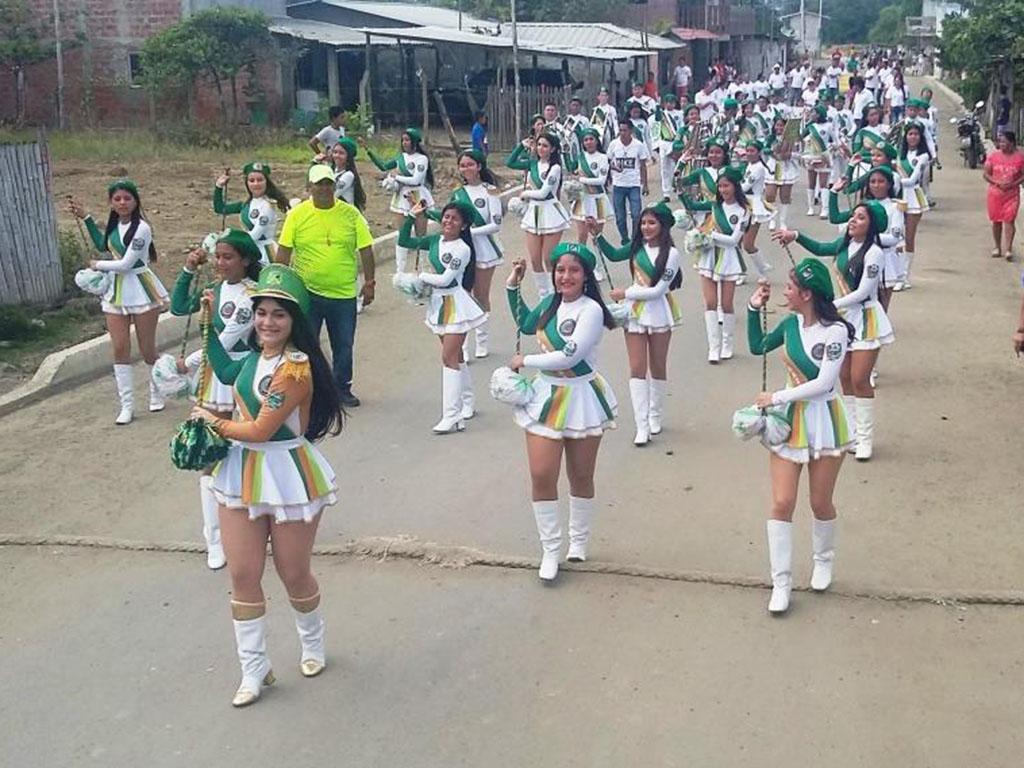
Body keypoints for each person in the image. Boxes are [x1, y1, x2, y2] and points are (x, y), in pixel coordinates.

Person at [190, 264, 343, 707]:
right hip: (241, 472)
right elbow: (223, 367)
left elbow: (259, 429)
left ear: (295, 322)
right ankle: (254, 668)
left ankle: (311, 641)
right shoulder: (252, 360)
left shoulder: (296, 370)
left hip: (288, 472)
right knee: (242, 572)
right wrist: (206, 322)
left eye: (279, 314)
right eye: (262, 313)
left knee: (293, 572)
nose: (267, 322)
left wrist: (212, 421)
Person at [746, 259, 855, 614]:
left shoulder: (835, 332)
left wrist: (774, 397)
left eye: (791, 287)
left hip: (824, 419)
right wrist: (752, 309)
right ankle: (782, 582)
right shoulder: (790, 324)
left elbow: (824, 383)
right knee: (781, 502)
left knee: (820, 502)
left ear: (807, 294)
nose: (785, 291)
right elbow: (758, 345)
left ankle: (823, 560)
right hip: (790, 421)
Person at [504, 242, 618, 580]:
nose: (565, 276)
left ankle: (578, 542)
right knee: (541, 474)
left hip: (580, 394)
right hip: (545, 396)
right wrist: (513, 283)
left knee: (580, 475)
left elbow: (570, 355)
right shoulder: (550, 304)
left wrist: (526, 360)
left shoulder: (591, 311)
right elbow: (525, 322)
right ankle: (550, 550)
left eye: (573, 270)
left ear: (585, 276)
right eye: (560, 270)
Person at [773, 200, 894, 461]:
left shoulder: (874, 253)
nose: (853, 221)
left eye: (861, 218)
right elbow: (820, 247)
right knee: (845, 378)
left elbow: (863, 293)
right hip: (841, 317)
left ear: (871, 224)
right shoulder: (844, 243)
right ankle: (850, 432)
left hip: (865, 318)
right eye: (853, 216)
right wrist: (795, 236)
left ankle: (865, 438)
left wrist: (827, 305)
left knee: (860, 378)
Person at [170, 229, 262, 570]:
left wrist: (186, 364)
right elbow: (178, 306)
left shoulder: (253, 294)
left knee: (248, 448)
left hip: (242, 374)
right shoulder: (216, 289)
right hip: (213, 382)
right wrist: (189, 269)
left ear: (246, 259)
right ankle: (214, 539)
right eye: (218, 257)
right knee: (210, 454)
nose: (221, 263)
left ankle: (250, 520)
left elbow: (225, 338)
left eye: (228, 257)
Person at [275, 165, 375, 408]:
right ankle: (307, 389)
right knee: (305, 343)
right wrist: (280, 288)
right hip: (307, 292)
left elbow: (365, 249)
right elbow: (284, 251)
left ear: (334, 185)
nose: (324, 188)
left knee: (343, 344)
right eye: (318, 184)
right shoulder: (297, 215)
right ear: (309, 187)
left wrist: (370, 283)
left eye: (328, 183)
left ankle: (342, 388)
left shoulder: (350, 215)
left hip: (343, 293)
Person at [69, 180, 169, 424]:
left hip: (140, 288)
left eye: (127, 198)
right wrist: (87, 218)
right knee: (119, 348)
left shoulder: (142, 228)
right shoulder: (115, 226)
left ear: (136, 201)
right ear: (111, 203)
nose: (123, 203)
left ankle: (157, 392)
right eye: (117, 199)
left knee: (147, 350)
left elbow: (126, 263)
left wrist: (97, 265)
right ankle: (127, 406)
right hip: (116, 292)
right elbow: (103, 244)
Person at [592, 203, 681, 445]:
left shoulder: (671, 254)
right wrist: (596, 234)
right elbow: (612, 254)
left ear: (662, 226)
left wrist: (626, 292)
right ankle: (641, 425)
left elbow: (658, 290)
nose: (646, 227)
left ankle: (655, 415)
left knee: (658, 365)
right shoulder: (636, 248)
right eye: (643, 223)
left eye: (652, 223)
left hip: (659, 311)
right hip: (635, 314)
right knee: (637, 368)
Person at [400, 201, 486, 433]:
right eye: (446, 217)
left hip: (456, 305)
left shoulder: (463, 249)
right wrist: (410, 217)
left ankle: (451, 415)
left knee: (447, 357)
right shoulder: (434, 240)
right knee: (455, 356)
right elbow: (405, 242)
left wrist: (420, 277)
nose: (448, 222)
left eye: (454, 219)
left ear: (464, 225)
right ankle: (466, 403)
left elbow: (446, 279)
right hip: (438, 304)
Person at [429, 149, 504, 359]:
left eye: (470, 164)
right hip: (461, 250)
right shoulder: (458, 192)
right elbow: (450, 216)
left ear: (479, 166)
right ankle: (462, 345)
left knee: (480, 295)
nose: (466, 168)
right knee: (460, 294)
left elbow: (495, 224)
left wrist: (470, 230)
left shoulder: (491, 191)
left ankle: (482, 339)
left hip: (485, 249)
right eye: (462, 165)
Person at [680, 165, 751, 363]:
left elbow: (734, 240)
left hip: (728, 259)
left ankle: (727, 344)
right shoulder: (714, 206)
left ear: (735, 187)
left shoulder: (744, 211)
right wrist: (680, 189)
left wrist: (710, 235)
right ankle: (714, 347)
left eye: (726, 186)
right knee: (710, 304)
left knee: (726, 304)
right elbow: (691, 206)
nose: (722, 190)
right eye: (720, 186)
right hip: (709, 257)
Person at [506, 132, 570, 297]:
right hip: (533, 213)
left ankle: (554, 293)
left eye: (545, 146)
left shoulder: (555, 168)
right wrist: (522, 145)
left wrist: (525, 194)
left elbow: (543, 193)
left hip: (550, 212)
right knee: (535, 259)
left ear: (553, 149)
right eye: (539, 145)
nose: (541, 148)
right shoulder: (532, 163)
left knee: (548, 259)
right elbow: (510, 162)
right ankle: (543, 295)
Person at [365, 128, 434, 273]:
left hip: (418, 195)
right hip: (402, 197)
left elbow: (416, 179)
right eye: (403, 140)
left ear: (414, 141)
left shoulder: (422, 159)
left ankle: (422, 268)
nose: (404, 143)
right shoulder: (399, 158)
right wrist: (369, 151)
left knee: (421, 234)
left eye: (407, 140)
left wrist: (395, 176)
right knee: (402, 234)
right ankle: (400, 270)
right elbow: (383, 166)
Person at [213, 162, 291, 265]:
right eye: (251, 180)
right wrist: (219, 187)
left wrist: (229, 239)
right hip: (250, 248)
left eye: (260, 180)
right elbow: (220, 208)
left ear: (266, 182)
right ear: (247, 183)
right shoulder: (246, 204)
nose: (256, 184)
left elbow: (255, 235)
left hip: (264, 254)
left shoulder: (267, 205)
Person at [895, 122, 931, 288]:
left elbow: (911, 180)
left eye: (916, 134)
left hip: (913, 198)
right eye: (910, 134)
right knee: (896, 236)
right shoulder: (899, 154)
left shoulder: (923, 156)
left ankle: (905, 277)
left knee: (908, 237)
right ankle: (896, 274)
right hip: (898, 196)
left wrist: (895, 176)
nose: (913, 137)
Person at [606, 117, 651, 244]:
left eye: (625, 130)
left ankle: (635, 238)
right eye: (620, 130)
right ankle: (625, 238)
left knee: (636, 214)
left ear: (631, 131)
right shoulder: (614, 144)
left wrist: (645, 184)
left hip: (634, 184)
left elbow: (643, 165)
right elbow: (608, 162)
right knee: (620, 216)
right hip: (618, 184)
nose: (622, 133)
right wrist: (613, 169)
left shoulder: (638, 145)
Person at [566, 128, 612, 250]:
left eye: (591, 139)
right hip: (583, 199)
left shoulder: (603, 157)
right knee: (581, 236)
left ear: (597, 141)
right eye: (586, 140)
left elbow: (601, 180)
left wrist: (581, 180)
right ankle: (582, 263)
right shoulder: (581, 157)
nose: (588, 142)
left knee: (597, 236)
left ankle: (597, 263)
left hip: (598, 200)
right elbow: (571, 170)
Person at [984, 131, 1024, 261]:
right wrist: (996, 182)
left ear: (1012, 143)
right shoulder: (993, 157)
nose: (1001, 144)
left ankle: (1008, 249)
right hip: (995, 194)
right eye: (1000, 142)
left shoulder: (1020, 158)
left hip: (1012, 195)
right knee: (996, 221)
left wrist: (1014, 184)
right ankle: (997, 247)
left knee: (1009, 220)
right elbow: (986, 174)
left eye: (1004, 142)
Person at [764, 116, 798, 231]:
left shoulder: (792, 139)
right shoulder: (771, 138)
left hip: (787, 168)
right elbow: (764, 149)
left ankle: (782, 221)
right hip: (774, 167)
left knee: (785, 196)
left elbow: (799, 153)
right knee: (770, 195)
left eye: (781, 125)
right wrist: (773, 151)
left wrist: (790, 155)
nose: (779, 127)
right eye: (777, 125)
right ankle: (772, 219)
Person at [328, 138, 367, 211]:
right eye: (335, 152)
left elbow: (331, 195)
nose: (337, 155)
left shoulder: (348, 175)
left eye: (341, 153)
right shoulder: (333, 171)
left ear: (348, 157)